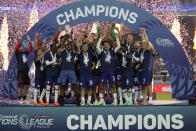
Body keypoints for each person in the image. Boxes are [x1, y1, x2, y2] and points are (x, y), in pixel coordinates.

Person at [96, 34, 121, 106]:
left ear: (109, 46)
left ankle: (115, 100)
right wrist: (100, 39)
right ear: (103, 46)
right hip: (103, 71)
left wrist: (117, 38)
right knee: (101, 85)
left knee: (113, 85)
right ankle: (101, 100)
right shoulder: (101, 53)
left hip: (111, 71)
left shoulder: (112, 52)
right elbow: (97, 47)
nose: (106, 46)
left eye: (107, 45)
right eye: (105, 45)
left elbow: (118, 47)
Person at [59, 41, 78, 106]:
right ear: (65, 46)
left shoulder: (73, 52)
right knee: (62, 85)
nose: (68, 46)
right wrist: (65, 39)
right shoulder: (63, 52)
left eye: (70, 46)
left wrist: (74, 42)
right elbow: (62, 45)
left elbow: (76, 48)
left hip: (71, 70)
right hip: (63, 70)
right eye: (67, 45)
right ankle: (61, 99)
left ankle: (78, 99)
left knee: (75, 84)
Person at [15, 34, 33, 104]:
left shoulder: (25, 53)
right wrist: (19, 40)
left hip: (26, 71)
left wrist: (29, 41)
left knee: (27, 85)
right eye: (21, 47)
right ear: (19, 49)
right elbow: (16, 48)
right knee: (20, 85)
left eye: (23, 47)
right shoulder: (17, 53)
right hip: (21, 71)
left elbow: (31, 48)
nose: (22, 48)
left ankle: (24, 98)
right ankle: (20, 99)